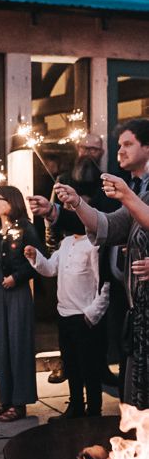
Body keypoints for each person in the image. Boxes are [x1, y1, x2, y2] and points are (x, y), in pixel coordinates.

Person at [61, 169, 149, 409]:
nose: (121, 151)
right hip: (141, 317)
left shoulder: (136, 196)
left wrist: (127, 195)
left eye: (128, 144)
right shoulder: (143, 195)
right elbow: (108, 225)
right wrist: (78, 203)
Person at [24, 233, 110, 420]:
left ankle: (94, 411)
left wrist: (92, 314)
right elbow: (50, 268)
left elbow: (104, 282)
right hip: (64, 314)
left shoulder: (93, 244)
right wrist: (35, 257)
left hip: (84, 316)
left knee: (89, 368)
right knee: (71, 365)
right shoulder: (66, 243)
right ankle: (76, 406)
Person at [0, 186, 41, 422]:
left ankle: (20, 402)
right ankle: (5, 398)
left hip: (17, 292)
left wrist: (17, 277)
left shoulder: (26, 229)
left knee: (19, 345)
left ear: (12, 202)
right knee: (2, 347)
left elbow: (38, 260)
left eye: (0, 199)